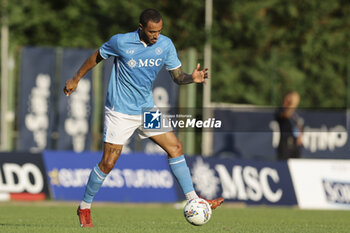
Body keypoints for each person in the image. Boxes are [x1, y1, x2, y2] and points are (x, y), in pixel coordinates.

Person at [64, 8, 224, 228]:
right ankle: (84, 207)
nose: (155, 35)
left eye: (159, 31)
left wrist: (191, 78)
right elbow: (96, 57)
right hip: (120, 111)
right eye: (151, 31)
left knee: (175, 147)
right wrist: (76, 78)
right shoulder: (120, 42)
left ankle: (194, 200)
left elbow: (177, 77)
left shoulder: (165, 45)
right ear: (141, 28)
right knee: (108, 163)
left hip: (146, 111)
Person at [275, 91, 303, 160]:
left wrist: (300, 135)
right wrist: (292, 104)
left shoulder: (295, 113)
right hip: (285, 145)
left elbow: (298, 124)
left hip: (295, 145)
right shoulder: (281, 110)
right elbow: (286, 115)